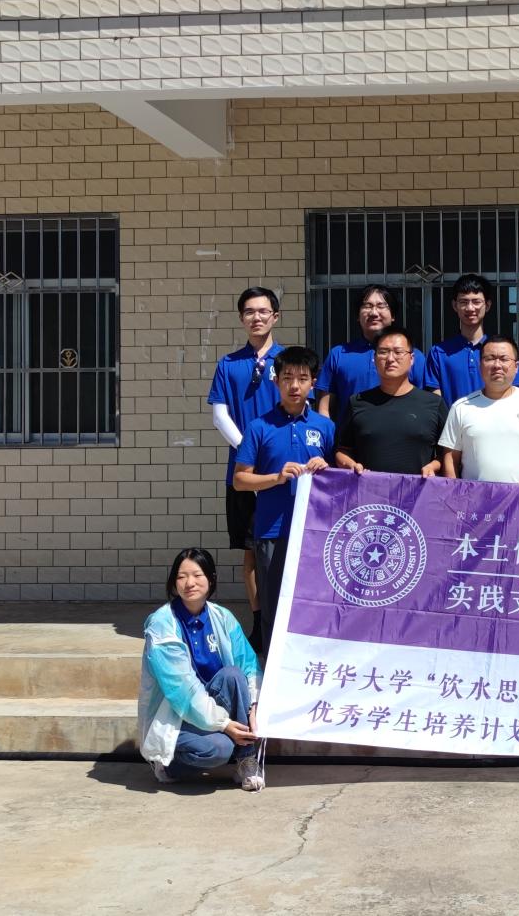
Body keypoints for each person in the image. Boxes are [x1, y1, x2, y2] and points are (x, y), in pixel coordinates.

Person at [233, 347, 334, 654]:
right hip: (272, 531)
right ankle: (273, 669)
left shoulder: (325, 427)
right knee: (273, 605)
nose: (294, 385)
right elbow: (240, 480)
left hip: (315, 532)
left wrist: (327, 468)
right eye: (287, 378)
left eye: (302, 378)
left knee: (314, 605)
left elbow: (339, 481)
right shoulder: (259, 427)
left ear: (313, 383)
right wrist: (276, 478)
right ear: (276, 381)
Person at [138, 548, 264, 790]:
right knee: (219, 749)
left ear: (211, 579)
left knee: (233, 675)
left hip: (211, 708)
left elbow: (248, 664)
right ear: (173, 583)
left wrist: (254, 705)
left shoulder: (222, 617)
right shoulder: (162, 625)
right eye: (181, 576)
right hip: (178, 714)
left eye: (197, 575)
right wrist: (225, 725)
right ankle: (168, 765)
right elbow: (182, 692)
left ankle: (247, 758)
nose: (190, 583)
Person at [206, 287, 283, 647]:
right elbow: (219, 415)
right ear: (241, 318)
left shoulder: (289, 361)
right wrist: (249, 450)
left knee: (285, 551)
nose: (257, 317)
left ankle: (284, 623)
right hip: (243, 474)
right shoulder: (228, 364)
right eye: (249, 312)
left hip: (283, 473)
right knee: (252, 554)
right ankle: (259, 625)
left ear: (275, 317)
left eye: (263, 311)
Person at [334, 324, 447, 478]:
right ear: (374, 358)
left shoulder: (434, 404)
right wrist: (352, 465)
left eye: (398, 352)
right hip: (370, 491)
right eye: (383, 352)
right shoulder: (357, 402)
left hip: (418, 491)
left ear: (412, 359)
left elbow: (448, 454)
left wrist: (433, 466)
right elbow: (342, 450)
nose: (390, 359)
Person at [438, 336, 519, 484]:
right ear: (480, 365)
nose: (497, 365)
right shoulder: (461, 407)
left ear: (516, 367)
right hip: (474, 496)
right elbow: (450, 457)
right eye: (490, 358)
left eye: (504, 359)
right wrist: (454, 490)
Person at [317, 284, 433, 418]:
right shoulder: (339, 355)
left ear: (393, 315)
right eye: (367, 306)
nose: (374, 312)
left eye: (381, 306)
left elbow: (424, 403)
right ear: (357, 315)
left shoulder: (412, 356)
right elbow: (324, 409)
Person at [429, 273, 519, 404]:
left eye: (476, 302)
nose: (470, 308)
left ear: (488, 305)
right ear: (454, 305)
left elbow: (516, 394)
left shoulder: (502, 351)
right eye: (463, 302)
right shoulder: (439, 352)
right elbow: (435, 400)